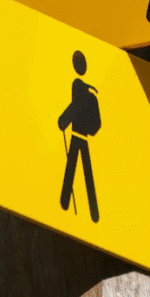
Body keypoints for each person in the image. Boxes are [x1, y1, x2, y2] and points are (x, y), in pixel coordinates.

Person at [58, 50, 100, 222]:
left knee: (75, 169)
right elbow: (96, 123)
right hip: (80, 136)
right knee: (79, 170)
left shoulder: (84, 95)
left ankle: (69, 203)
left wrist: (63, 120)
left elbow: (74, 108)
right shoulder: (88, 95)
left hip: (78, 136)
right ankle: (85, 209)